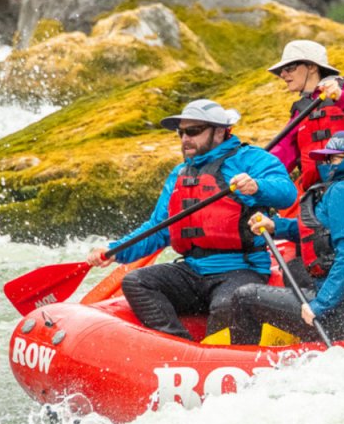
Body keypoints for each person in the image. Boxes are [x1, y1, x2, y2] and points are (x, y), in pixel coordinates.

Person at [86, 99, 296, 343]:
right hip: (193, 271)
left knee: (229, 304)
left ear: (219, 131)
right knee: (136, 281)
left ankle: (216, 358)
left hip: (242, 270)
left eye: (193, 131)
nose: (185, 138)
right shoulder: (179, 174)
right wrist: (115, 251)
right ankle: (179, 347)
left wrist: (257, 186)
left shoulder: (251, 160)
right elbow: (157, 229)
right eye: (181, 132)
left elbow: (287, 193)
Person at [231, 131, 344, 344]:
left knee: (245, 297)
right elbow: (321, 231)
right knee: (295, 272)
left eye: (332, 158)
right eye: (325, 159)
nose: (326, 164)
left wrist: (320, 305)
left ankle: (242, 365)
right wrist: (275, 226)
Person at [268, 39, 344, 193]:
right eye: (282, 70)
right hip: (319, 195)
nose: (283, 74)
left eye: (290, 67)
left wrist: (342, 97)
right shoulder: (300, 110)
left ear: (312, 67)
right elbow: (280, 154)